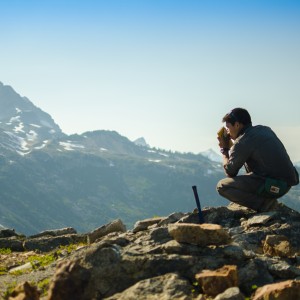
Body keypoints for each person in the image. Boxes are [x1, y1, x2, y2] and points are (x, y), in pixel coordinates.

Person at [216, 107, 299, 212]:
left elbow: (230, 172)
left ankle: (265, 204)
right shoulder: (264, 130)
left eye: (228, 127)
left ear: (237, 125)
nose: (227, 132)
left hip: (273, 186)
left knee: (222, 186)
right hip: (285, 184)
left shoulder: (242, 141)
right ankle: (265, 201)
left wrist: (224, 150)